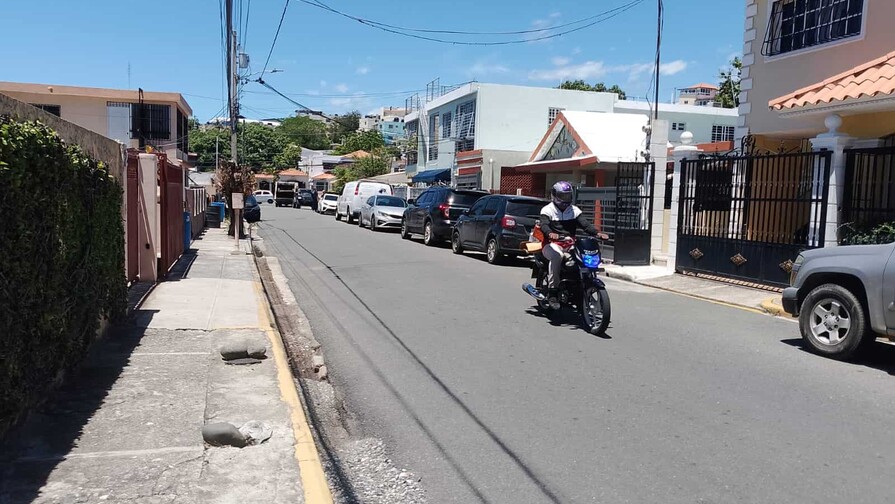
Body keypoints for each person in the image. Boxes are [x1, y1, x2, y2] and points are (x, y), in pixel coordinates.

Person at [539, 180, 600, 309]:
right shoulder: (547, 210)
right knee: (557, 256)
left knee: (582, 257)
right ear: (555, 195)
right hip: (551, 244)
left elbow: (585, 224)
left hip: (570, 243)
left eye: (568, 195)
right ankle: (553, 292)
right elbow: (544, 225)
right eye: (562, 196)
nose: (565, 199)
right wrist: (550, 233)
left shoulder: (574, 210)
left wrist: (597, 233)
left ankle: (580, 285)